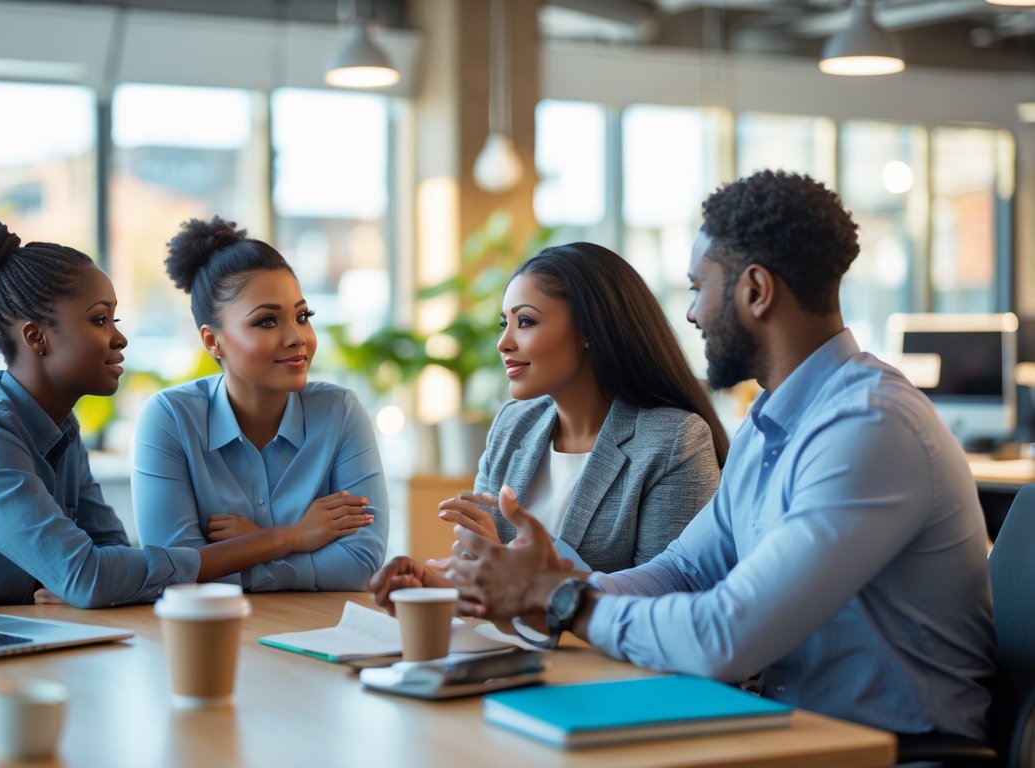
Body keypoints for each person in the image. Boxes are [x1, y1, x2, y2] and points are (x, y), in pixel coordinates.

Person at [371, 170, 995, 741]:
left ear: (756, 291)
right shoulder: (769, 426)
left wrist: (562, 599)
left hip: (892, 751)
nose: (691, 313)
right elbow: (683, 571)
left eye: (699, 288)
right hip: (793, 733)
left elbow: (727, 635)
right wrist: (537, 586)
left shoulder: (869, 428)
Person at [0, 219, 308, 608]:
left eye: (114, 320)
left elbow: (110, 556)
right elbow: (90, 577)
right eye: (99, 319)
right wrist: (282, 538)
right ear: (37, 337)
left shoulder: (61, 429)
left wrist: (99, 580)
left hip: (25, 630)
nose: (120, 338)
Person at [437, 242, 727, 573]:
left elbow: (667, 589)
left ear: (588, 329)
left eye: (526, 321)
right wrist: (428, 580)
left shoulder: (674, 440)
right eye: (505, 323)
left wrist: (508, 564)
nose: (504, 343)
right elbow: (476, 566)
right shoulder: (512, 424)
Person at [133, 216, 387, 592]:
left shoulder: (340, 412)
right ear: (212, 341)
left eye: (302, 316)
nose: (296, 337)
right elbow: (174, 570)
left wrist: (248, 546)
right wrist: (290, 538)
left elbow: (359, 564)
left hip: (317, 626)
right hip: (212, 625)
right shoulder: (169, 419)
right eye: (267, 321)